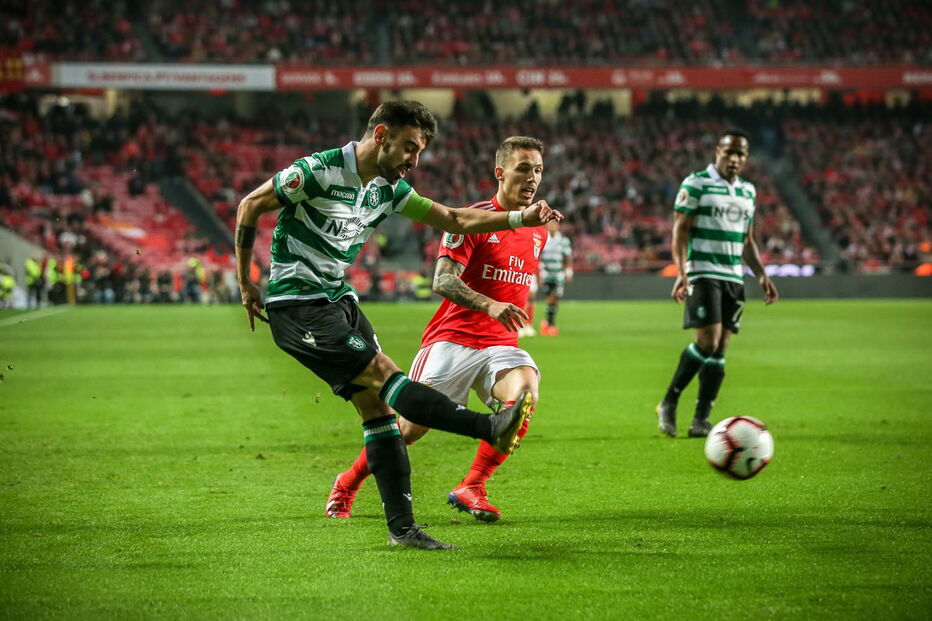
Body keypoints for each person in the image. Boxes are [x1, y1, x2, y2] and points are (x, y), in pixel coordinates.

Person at [234, 102, 562, 551]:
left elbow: (454, 218)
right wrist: (246, 284)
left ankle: (402, 529)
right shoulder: (318, 171)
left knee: (381, 415)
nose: (414, 159)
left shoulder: (387, 189)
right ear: (382, 134)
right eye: (410, 147)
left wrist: (520, 219)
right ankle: (488, 428)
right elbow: (250, 204)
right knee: (385, 375)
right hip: (299, 306)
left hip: (338, 300)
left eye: (420, 151)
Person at [326, 136, 548, 523]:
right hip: (452, 340)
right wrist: (490, 304)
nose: (532, 179)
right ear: (500, 173)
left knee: (524, 395)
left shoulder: (538, 231)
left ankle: (473, 485)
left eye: (539, 170)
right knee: (409, 429)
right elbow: (443, 281)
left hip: (500, 344)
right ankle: (348, 482)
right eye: (523, 169)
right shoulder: (470, 220)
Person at [656, 129, 779, 438]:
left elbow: (747, 240)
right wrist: (682, 272)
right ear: (717, 152)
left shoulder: (748, 192)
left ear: (746, 158)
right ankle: (669, 401)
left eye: (741, 154)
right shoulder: (696, 183)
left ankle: (701, 419)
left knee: (721, 348)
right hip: (703, 271)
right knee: (707, 341)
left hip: (733, 277)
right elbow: (679, 231)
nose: (735, 159)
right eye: (729, 153)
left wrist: (762, 274)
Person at [538, 219, 572, 336]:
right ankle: (550, 324)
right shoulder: (543, 239)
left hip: (558, 274)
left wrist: (568, 271)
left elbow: (567, 257)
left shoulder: (563, 241)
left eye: (555, 224)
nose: (553, 226)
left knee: (555, 299)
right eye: (550, 223)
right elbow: (538, 256)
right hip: (546, 273)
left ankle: (548, 323)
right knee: (550, 298)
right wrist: (540, 273)